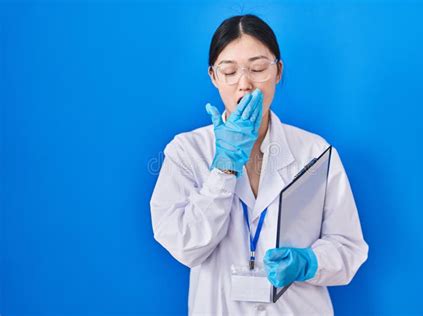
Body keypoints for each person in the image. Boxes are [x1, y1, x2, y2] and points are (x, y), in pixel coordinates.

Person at [150, 14, 369, 315]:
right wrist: (223, 168)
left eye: (257, 68)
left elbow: (348, 247)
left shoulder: (315, 152)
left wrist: (309, 262)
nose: (245, 84)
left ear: (278, 71)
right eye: (229, 71)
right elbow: (187, 247)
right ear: (213, 76)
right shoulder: (187, 152)